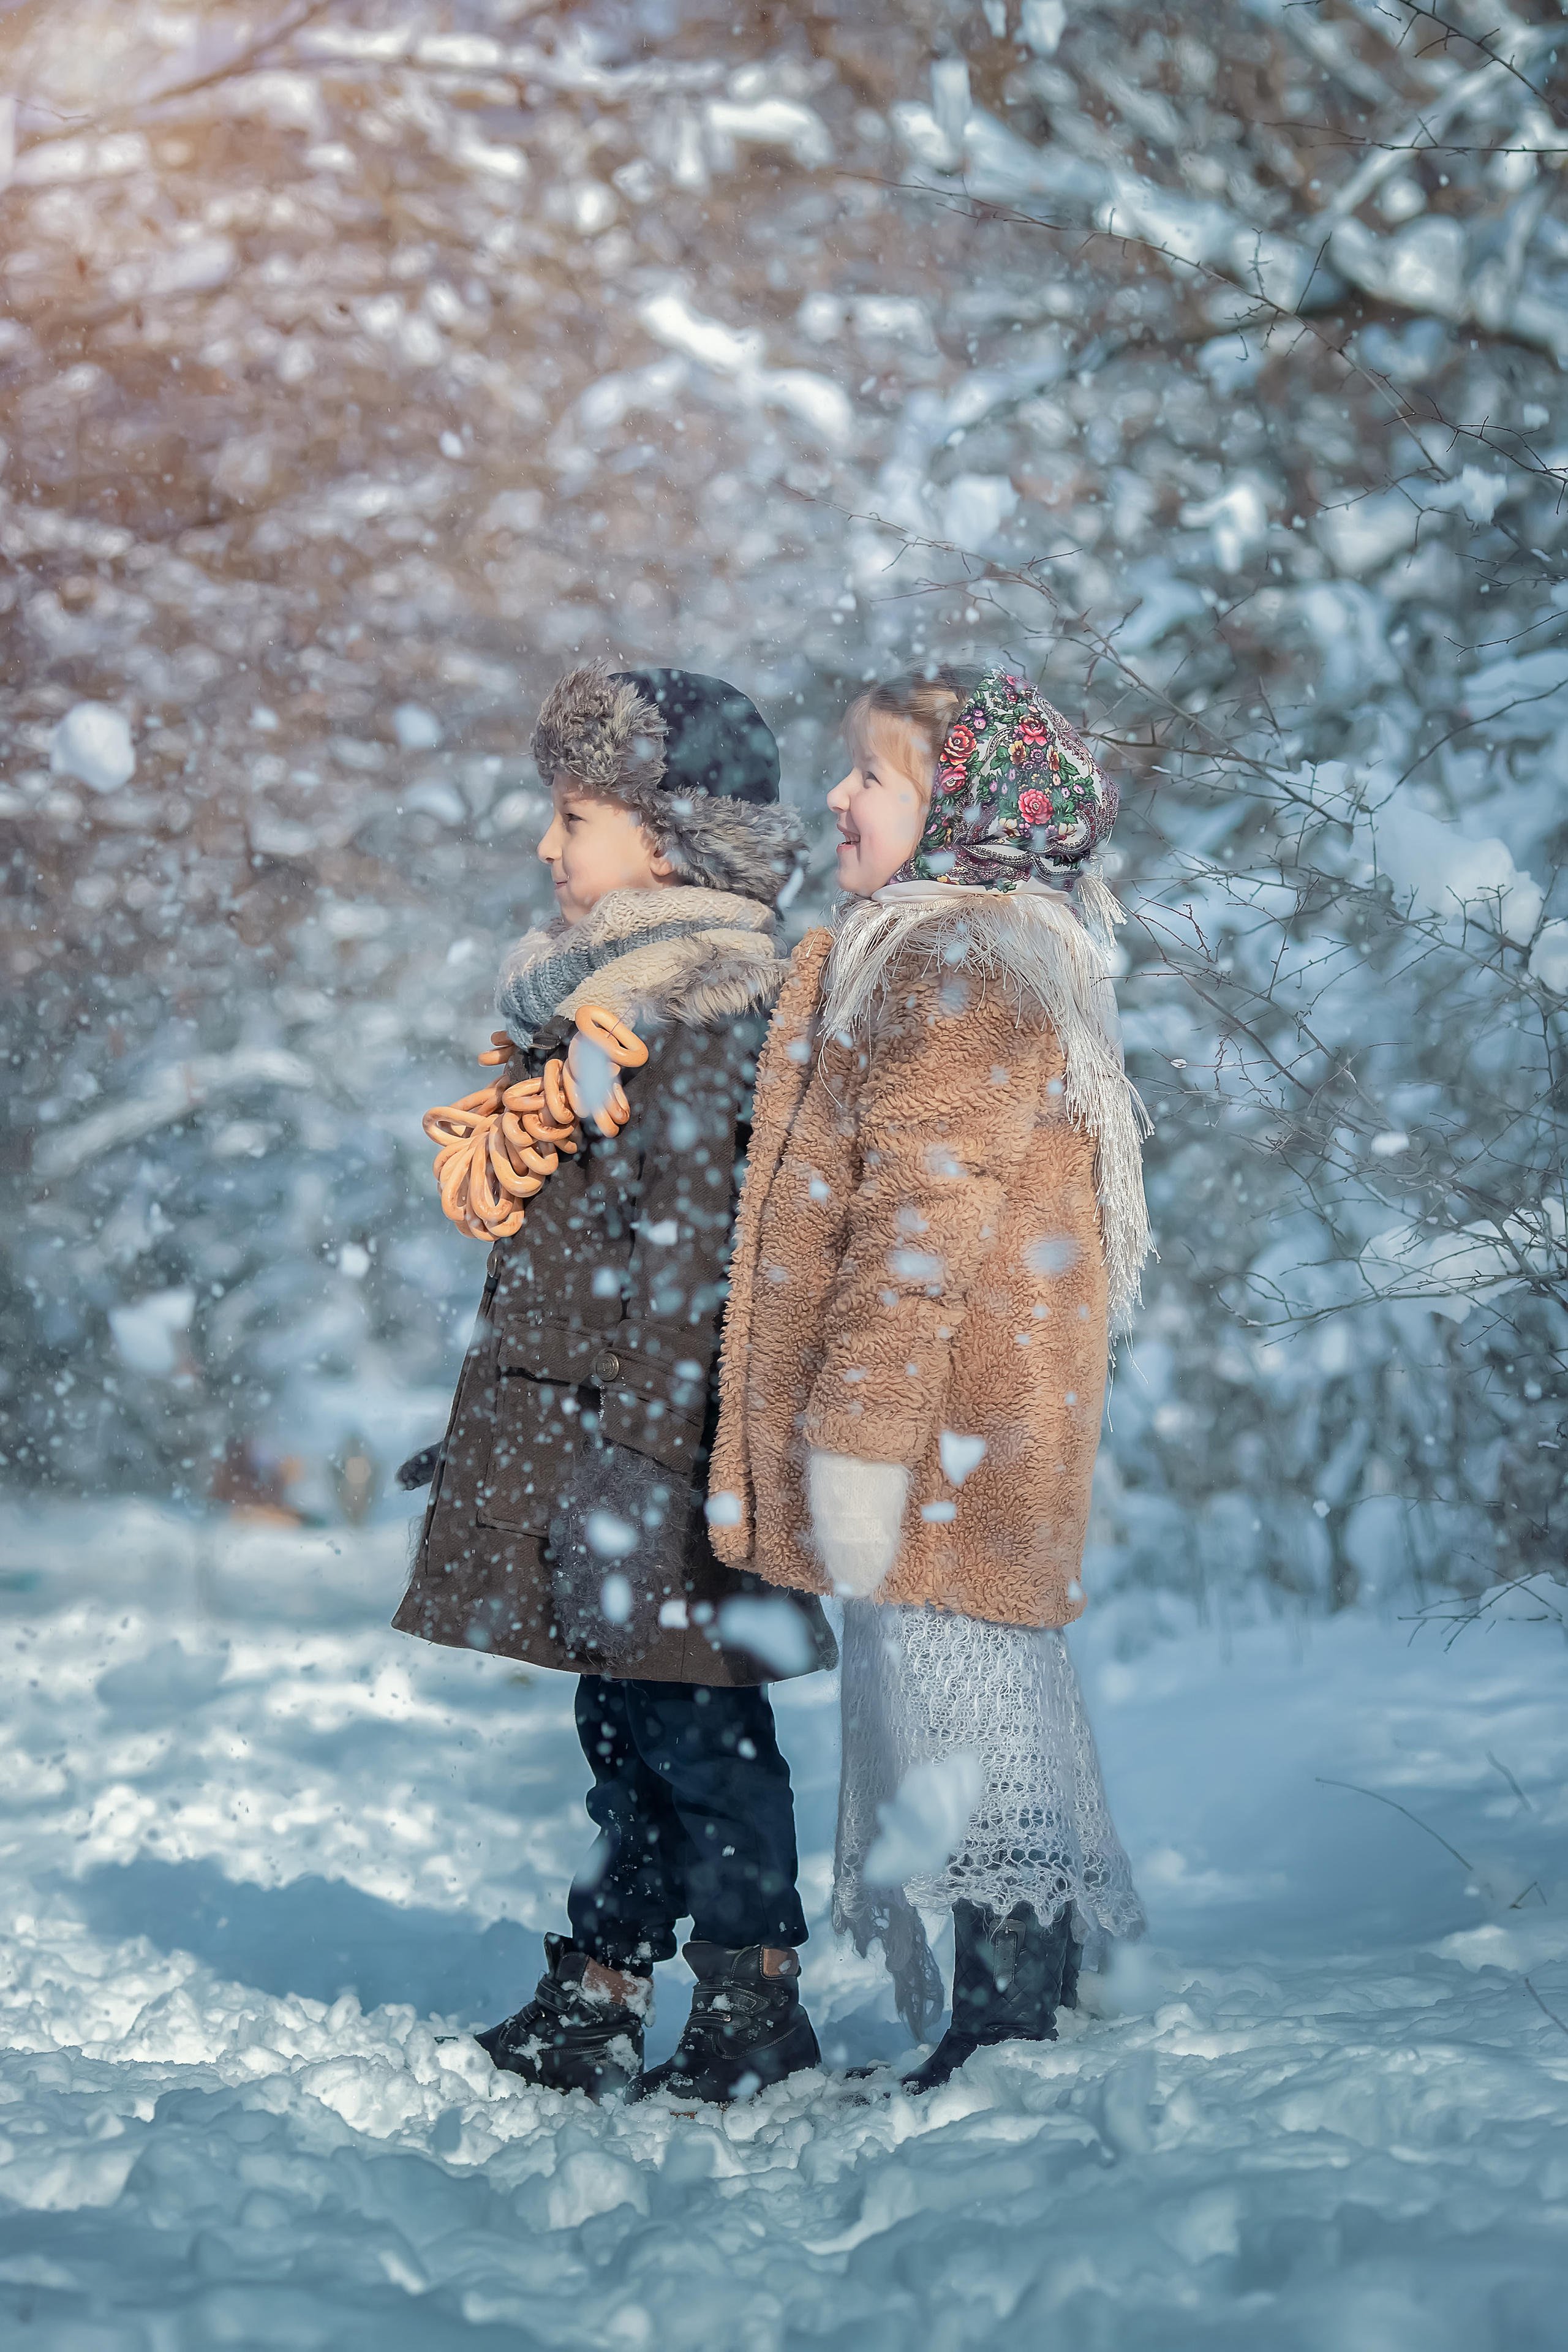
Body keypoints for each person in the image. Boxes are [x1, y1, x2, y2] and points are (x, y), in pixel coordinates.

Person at [394, 662, 835, 2103]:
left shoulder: (689, 1012)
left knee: (702, 1729)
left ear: (665, 838)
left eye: (572, 814)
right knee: (627, 1725)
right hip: (607, 1441)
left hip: (654, 1451)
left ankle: (752, 2002)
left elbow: (691, 1262)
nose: (545, 846)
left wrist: (644, 1467)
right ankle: (599, 1984)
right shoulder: (601, 1002)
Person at [707, 665, 1149, 2092]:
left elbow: (917, 1227)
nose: (835, 797)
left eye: (874, 778)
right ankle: (1031, 1978)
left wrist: (858, 1436)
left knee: (964, 1701)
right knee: (964, 1687)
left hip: (945, 1426)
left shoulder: (950, 964)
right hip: (960, 1425)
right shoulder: (937, 949)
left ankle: (1011, 2001)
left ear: (958, 810)